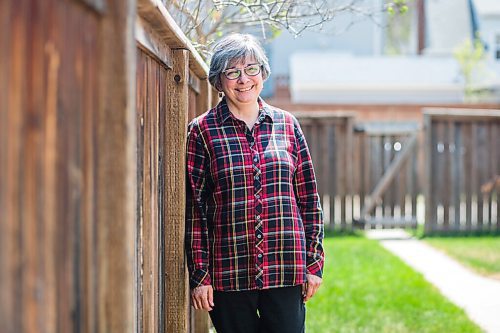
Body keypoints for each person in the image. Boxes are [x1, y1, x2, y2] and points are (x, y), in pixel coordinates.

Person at [185, 33, 324, 333]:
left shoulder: (288, 125)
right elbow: (195, 210)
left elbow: (309, 200)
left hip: (285, 266)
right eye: (232, 72)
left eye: (251, 69)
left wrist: (314, 264)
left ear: (263, 73)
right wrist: (200, 276)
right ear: (219, 81)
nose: (243, 79)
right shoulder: (202, 132)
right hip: (228, 271)